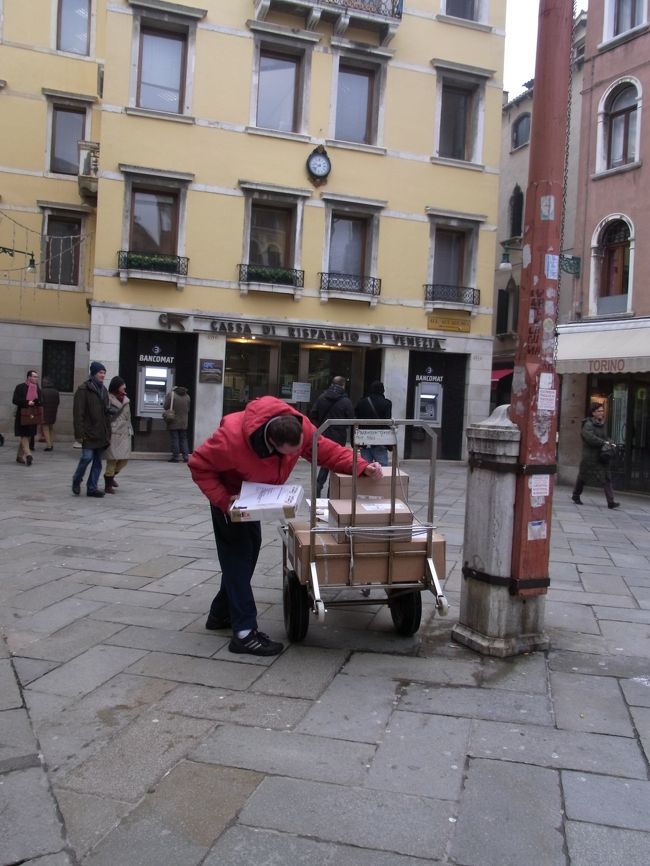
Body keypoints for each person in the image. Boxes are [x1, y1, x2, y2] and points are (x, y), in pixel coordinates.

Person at [188, 395, 384, 656]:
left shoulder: (299, 425)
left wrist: (361, 466)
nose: (295, 456)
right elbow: (199, 466)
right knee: (237, 559)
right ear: (271, 442)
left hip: (256, 498)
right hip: (233, 502)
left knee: (248, 555)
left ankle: (220, 614)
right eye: (289, 454)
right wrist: (225, 500)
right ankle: (244, 633)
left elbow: (325, 449)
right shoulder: (230, 440)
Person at [309, 375, 355, 496]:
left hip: (323, 434)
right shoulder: (346, 401)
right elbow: (351, 420)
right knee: (336, 462)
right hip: (339, 436)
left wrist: (319, 427)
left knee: (326, 461)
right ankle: (331, 492)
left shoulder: (322, 398)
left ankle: (318, 486)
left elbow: (313, 414)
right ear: (343, 385)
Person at [72, 361, 112, 498]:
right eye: (100, 372)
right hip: (88, 433)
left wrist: (108, 432)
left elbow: (106, 413)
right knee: (86, 458)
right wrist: (79, 434)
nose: (103, 375)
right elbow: (78, 413)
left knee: (97, 462)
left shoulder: (104, 390)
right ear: (94, 373)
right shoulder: (83, 390)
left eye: (104, 373)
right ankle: (77, 480)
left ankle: (92, 487)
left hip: (101, 433)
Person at [572, 402, 620, 510]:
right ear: (593, 413)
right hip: (590, 457)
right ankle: (576, 495)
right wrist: (603, 442)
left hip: (602, 456)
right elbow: (589, 438)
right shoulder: (588, 424)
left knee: (606, 478)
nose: (601, 413)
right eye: (599, 411)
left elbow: (605, 437)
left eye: (602, 411)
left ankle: (611, 502)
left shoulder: (603, 424)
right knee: (583, 477)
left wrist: (610, 442)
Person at [104, 376, 132, 494]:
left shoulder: (126, 399)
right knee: (112, 459)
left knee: (124, 460)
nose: (124, 386)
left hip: (125, 432)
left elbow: (128, 417)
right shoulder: (108, 399)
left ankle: (111, 477)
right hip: (114, 433)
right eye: (122, 384)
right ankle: (108, 484)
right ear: (117, 386)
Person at [355, 381, 393, 467]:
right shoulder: (387, 403)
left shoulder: (361, 402)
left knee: (366, 468)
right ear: (383, 390)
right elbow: (387, 422)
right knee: (382, 469)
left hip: (364, 439)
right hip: (380, 440)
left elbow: (355, 421)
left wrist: (354, 441)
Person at [12, 370, 42, 466]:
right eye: (34, 376)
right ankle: (29, 455)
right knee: (23, 435)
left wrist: (36, 402)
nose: (36, 378)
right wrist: (27, 402)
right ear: (29, 377)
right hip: (22, 415)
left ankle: (19, 456)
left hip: (32, 415)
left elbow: (41, 400)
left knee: (28, 435)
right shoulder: (20, 387)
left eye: (37, 377)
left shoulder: (37, 388)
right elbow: (15, 400)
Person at [163, 385, 191, 463]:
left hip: (173, 420)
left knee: (175, 439)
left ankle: (175, 457)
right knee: (184, 439)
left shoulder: (171, 395)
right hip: (184, 421)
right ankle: (186, 457)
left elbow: (165, 406)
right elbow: (188, 409)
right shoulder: (187, 396)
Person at [40, 377, 60, 452]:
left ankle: (49, 445)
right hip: (53, 412)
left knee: (45, 428)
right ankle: (51, 444)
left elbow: (41, 402)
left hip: (45, 412)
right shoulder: (56, 391)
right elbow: (58, 402)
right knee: (51, 428)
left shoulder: (42, 391)